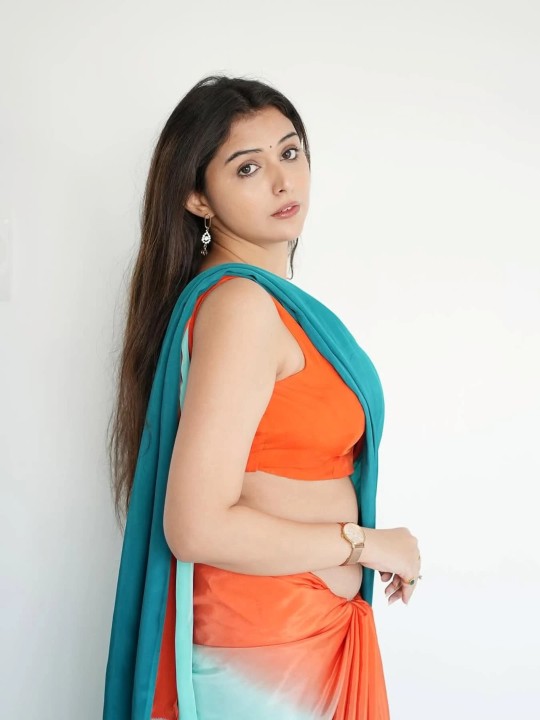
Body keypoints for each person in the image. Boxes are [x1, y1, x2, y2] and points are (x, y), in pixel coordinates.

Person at [104, 75, 421, 720]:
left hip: (306, 635)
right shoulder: (242, 307)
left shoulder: (260, 304)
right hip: (268, 652)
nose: (283, 181)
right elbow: (196, 525)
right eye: (248, 167)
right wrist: (365, 544)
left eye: (291, 152)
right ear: (197, 196)